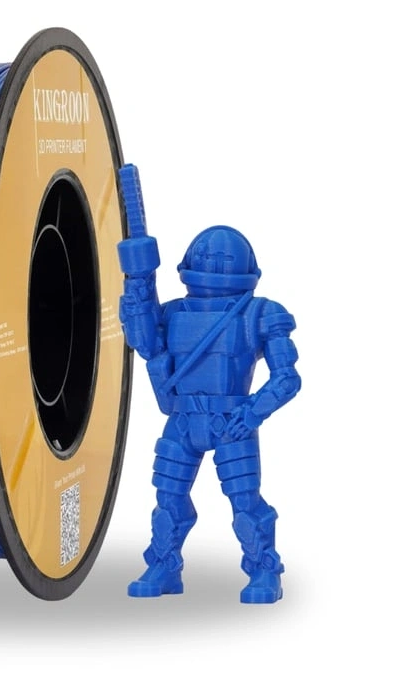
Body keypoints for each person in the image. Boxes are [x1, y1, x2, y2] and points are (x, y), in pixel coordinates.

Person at [117, 169, 301, 603]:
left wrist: (250, 414)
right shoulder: (174, 311)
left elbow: (287, 377)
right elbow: (143, 342)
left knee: (244, 501)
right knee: (168, 498)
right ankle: (164, 564)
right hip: (184, 420)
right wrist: (138, 286)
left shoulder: (260, 313)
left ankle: (264, 569)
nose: (213, 266)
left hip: (231, 419)